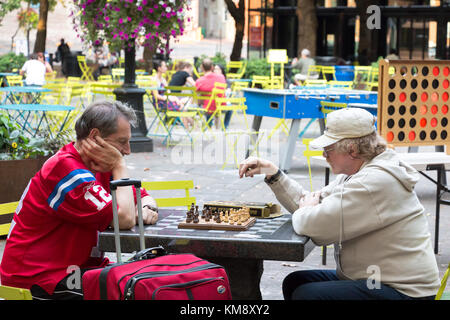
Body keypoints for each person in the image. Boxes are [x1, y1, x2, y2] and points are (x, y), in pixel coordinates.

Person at [238, 107, 440, 300]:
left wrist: (307, 211)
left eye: (328, 149)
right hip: (373, 279)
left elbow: (312, 224)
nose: (325, 155)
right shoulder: (361, 171)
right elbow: (309, 204)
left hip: (404, 291)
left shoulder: (372, 182)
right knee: (296, 282)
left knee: (307, 295)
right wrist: (273, 173)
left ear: (351, 149)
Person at [0, 100, 159, 300]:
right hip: (38, 277)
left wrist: (145, 207)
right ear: (95, 137)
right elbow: (124, 220)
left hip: (75, 270)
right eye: (121, 142)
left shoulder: (98, 165)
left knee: (146, 277)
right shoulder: (66, 170)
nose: (127, 151)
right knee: (132, 291)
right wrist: (119, 165)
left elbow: (143, 196)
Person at [152, 60, 192, 128]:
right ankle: (190, 126)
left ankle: (188, 127)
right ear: (159, 68)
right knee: (182, 107)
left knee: (183, 103)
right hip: (160, 102)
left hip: (167, 100)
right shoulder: (154, 80)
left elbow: (169, 92)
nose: (166, 68)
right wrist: (169, 98)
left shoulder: (163, 79)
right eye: (164, 66)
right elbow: (156, 96)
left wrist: (175, 99)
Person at [195, 58, 226, 129]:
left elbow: (197, 98)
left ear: (201, 67)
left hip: (207, 108)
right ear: (212, 67)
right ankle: (220, 127)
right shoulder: (221, 77)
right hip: (221, 106)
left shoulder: (199, 81)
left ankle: (203, 128)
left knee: (189, 107)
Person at [213, 63, 232, 129]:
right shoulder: (211, 80)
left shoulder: (226, 81)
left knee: (230, 107)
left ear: (222, 71)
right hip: (212, 103)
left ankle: (225, 127)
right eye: (214, 69)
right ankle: (212, 126)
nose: (215, 71)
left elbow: (228, 92)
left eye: (217, 69)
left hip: (221, 102)